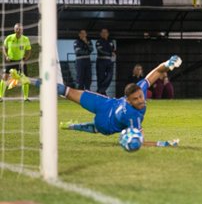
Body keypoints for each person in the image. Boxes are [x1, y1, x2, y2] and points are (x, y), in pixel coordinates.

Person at [12, 55, 182, 147]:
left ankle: (73, 125)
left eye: (141, 97)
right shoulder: (134, 117)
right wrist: (164, 144)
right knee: (67, 91)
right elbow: (141, 142)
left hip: (105, 113)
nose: (141, 100)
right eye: (136, 99)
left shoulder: (135, 100)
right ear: (128, 100)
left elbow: (153, 74)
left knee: (72, 98)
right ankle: (28, 80)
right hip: (105, 113)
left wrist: (168, 63)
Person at [0, 23, 31, 102]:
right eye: (17, 29)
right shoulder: (9, 38)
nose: (19, 30)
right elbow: (3, 47)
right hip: (10, 61)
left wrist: (25, 60)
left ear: (22, 30)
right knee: (4, 77)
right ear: (14, 30)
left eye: (20, 29)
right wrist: (6, 55)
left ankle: (25, 98)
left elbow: (29, 50)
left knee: (25, 79)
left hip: (20, 61)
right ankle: (0, 97)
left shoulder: (25, 39)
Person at [95, 28, 115, 96]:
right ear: (100, 34)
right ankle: (102, 93)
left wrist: (113, 54)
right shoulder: (98, 41)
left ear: (108, 33)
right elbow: (100, 51)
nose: (104, 34)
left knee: (110, 76)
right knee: (101, 77)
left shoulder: (111, 41)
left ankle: (100, 90)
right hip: (101, 60)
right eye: (103, 32)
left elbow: (113, 50)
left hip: (109, 61)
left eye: (106, 32)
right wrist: (110, 53)